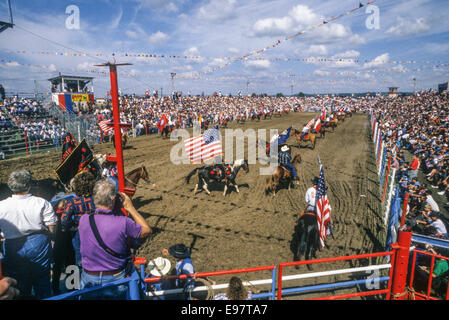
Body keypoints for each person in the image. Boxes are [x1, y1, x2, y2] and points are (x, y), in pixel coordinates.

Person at [78, 179, 151, 300]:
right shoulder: (123, 223)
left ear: (95, 198)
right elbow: (147, 230)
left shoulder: (84, 220)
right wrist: (130, 208)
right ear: (113, 199)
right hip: (114, 278)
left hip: (89, 277)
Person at [0, 170, 57, 299]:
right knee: (42, 278)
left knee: (19, 281)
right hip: (38, 241)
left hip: (12, 244)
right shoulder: (41, 202)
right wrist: (51, 239)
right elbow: (52, 225)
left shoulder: (1, 206)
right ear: (28, 185)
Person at [61, 171, 96, 267]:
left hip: (79, 232)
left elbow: (64, 220)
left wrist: (72, 226)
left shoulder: (72, 202)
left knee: (79, 257)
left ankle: (80, 278)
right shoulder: (96, 199)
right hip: (96, 230)